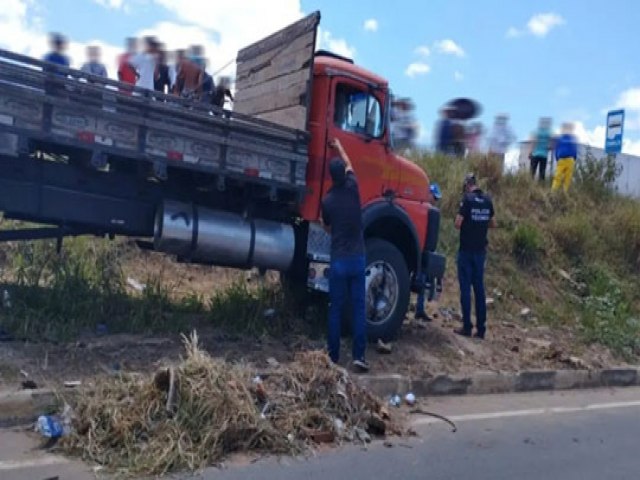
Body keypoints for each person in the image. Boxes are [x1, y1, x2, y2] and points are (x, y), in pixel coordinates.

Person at [321, 138, 369, 372]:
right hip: (358, 258)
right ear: (344, 174)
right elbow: (349, 163)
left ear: (331, 177)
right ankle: (359, 356)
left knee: (335, 309)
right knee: (359, 308)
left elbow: (326, 226)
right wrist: (338, 146)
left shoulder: (327, 201)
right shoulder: (353, 186)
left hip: (339, 259)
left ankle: (333, 357)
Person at [454, 173, 496, 339]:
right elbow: (493, 223)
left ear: (467, 185)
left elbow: (457, 224)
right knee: (479, 289)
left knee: (465, 288)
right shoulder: (487, 200)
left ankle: (466, 326)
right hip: (480, 252)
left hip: (466, 251)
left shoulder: (467, 200)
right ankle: (481, 329)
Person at [415, 183, 442, 321]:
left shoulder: (431, 211)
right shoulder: (420, 208)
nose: (435, 201)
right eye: (434, 198)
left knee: (423, 281)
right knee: (419, 279)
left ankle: (419, 309)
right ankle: (416, 308)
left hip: (426, 249)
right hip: (418, 249)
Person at [552, 123, 578, 192]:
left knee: (567, 178)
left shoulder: (573, 138)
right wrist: (557, 158)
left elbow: (575, 149)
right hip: (562, 159)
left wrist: (574, 158)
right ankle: (554, 191)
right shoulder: (560, 138)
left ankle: (564, 192)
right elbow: (557, 149)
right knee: (558, 176)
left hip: (569, 159)